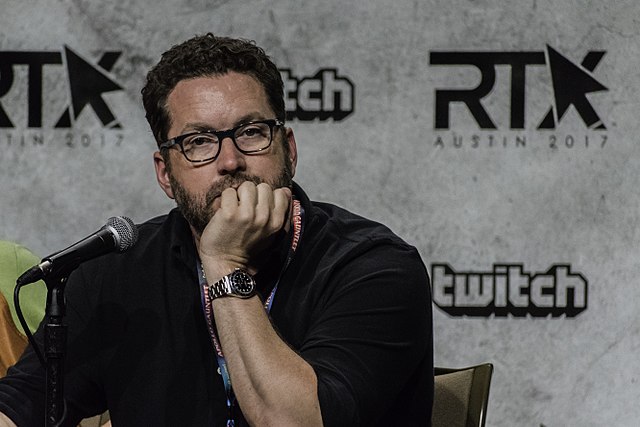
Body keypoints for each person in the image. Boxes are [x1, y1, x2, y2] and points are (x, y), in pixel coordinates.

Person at [0, 33, 433, 426]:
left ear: (289, 149)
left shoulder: (374, 268)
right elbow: (20, 407)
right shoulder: (115, 274)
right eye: (200, 142)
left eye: (250, 132)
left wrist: (225, 263)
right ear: (165, 174)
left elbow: (295, 423)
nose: (230, 161)